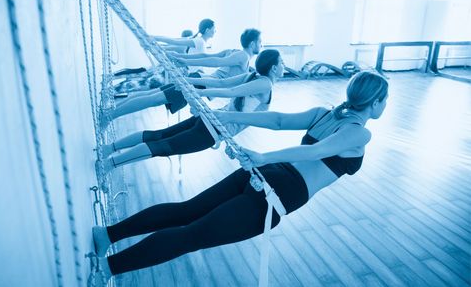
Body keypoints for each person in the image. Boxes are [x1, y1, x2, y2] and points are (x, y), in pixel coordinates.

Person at [91, 71, 389, 280]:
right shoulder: (359, 134)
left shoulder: (324, 113)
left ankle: (107, 235)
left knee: (186, 213)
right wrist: (255, 147)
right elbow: (316, 151)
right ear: (375, 103)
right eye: (384, 100)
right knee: (191, 235)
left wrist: (234, 119)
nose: (385, 106)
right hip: (280, 193)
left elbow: (277, 120)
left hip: (266, 174)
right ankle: (107, 269)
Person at [100, 49, 283, 171]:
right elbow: (230, 91)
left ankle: (109, 149)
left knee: (159, 136)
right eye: (281, 62)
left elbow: (221, 83)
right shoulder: (265, 83)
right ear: (274, 68)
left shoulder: (252, 76)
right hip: (214, 129)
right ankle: (109, 164)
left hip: (209, 119)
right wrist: (193, 87)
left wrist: (190, 82)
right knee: (162, 145)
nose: (284, 66)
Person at [101, 29, 262, 127]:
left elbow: (206, 55)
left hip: (196, 80)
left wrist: (184, 58)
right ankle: (110, 115)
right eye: (260, 42)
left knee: (151, 96)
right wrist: (184, 59)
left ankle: (110, 112)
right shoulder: (242, 56)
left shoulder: (234, 52)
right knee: (153, 99)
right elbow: (215, 61)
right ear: (253, 43)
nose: (261, 45)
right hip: (198, 85)